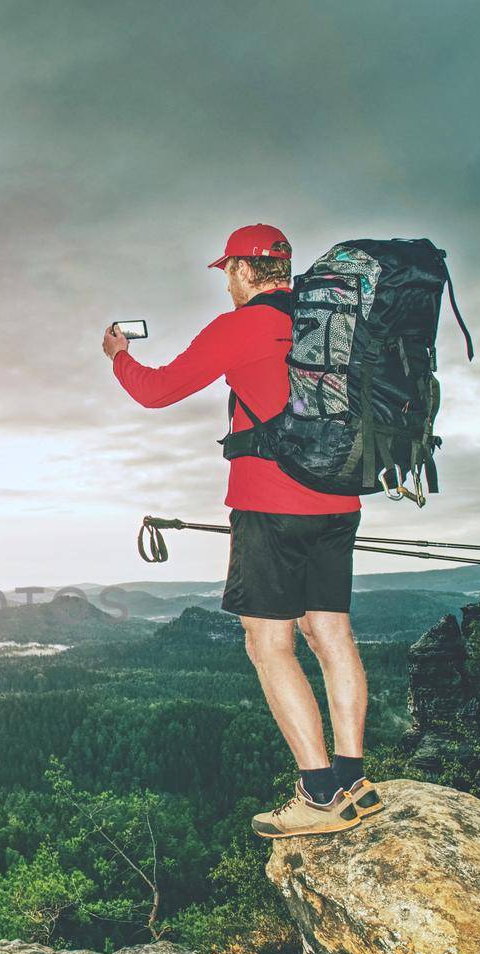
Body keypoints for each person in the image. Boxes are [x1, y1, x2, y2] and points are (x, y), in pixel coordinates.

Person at [101, 223, 380, 838]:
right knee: (329, 629)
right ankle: (354, 777)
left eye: (228, 269)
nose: (226, 280)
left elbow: (156, 390)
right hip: (341, 498)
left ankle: (318, 793)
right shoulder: (328, 324)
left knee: (268, 643)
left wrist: (118, 354)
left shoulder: (244, 325)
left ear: (244, 271)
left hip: (270, 505)